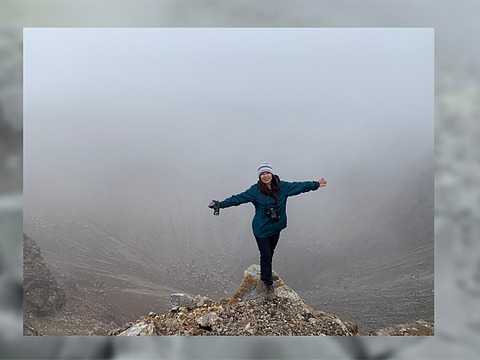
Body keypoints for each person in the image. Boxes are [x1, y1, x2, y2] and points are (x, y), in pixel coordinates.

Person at [209, 162, 327, 300]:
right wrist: (221, 204)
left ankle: (266, 273)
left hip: (276, 227)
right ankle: (267, 284)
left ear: (272, 173)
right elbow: (238, 199)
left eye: (267, 173)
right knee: (265, 255)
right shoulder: (255, 191)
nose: (265, 176)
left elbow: (300, 186)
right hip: (261, 229)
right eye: (262, 174)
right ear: (259, 176)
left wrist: (316, 184)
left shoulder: (283, 187)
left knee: (270, 253)